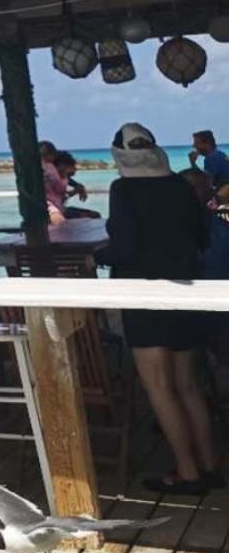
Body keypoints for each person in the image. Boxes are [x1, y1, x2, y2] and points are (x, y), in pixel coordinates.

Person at [94, 122, 222, 495]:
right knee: (188, 385)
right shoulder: (180, 186)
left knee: (159, 387)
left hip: (143, 296)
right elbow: (200, 236)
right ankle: (210, 464)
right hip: (185, 291)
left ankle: (187, 472)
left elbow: (124, 246)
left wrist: (98, 256)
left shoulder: (123, 188)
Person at [53, 152, 99, 220]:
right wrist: (75, 191)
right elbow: (59, 200)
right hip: (54, 212)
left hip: (60, 209)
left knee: (94, 215)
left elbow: (72, 182)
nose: (75, 169)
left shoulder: (63, 176)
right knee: (92, 216)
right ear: (61, 166)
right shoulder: (52, 180)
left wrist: (79, 186)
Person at [39, 142, 67, 225]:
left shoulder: (32, 167)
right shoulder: (49, 168)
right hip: (51, 206)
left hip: (36, 206)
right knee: (61, 229)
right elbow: (60, 189)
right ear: (50, 155)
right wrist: (64, 177)